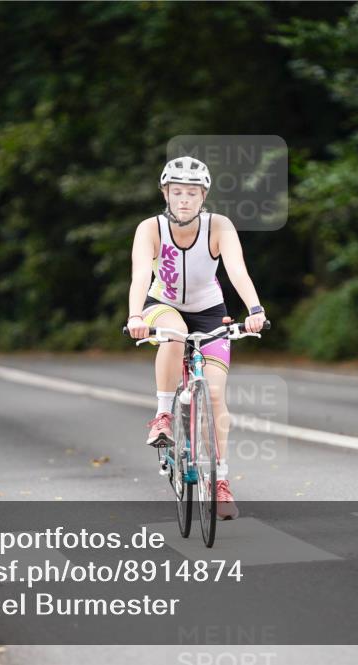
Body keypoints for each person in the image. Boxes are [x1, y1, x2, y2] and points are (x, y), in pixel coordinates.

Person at [125, 156, 267, 520]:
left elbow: (237, 270)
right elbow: (141, 274)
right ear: (165, 194)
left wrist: (254, 310)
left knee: (216, 395)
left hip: (209, 310)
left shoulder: (219, 227)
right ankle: (162, 416)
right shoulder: (150, 228)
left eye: (192, 193)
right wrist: (136, 315)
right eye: (177, 192)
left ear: (203, 196)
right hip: (162, 305)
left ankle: (220, 483)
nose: (184, 199)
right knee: (176, 335)